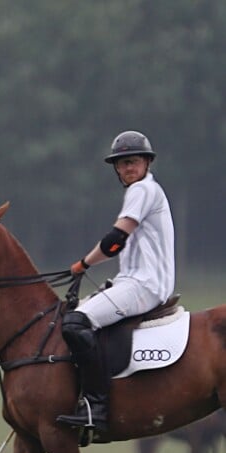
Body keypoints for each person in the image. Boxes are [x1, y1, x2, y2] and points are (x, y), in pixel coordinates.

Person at [57, 130, 175, 432]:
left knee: (75, 323)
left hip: (144, 285)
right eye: (121, 164)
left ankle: (97, 407)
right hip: (134, 281)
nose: (126, 169)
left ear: (147, 162)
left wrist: (83, 264)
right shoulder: (145, 190)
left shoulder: (142, 190)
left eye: (132, 162)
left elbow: (115, 240)